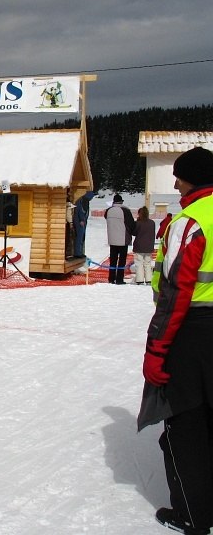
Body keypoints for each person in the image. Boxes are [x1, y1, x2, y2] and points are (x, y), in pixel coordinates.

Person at [137, 146, 213, 534]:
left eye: (179, 177)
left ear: (192, 179)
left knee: (186, 426)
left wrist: (157, 349)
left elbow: (176, 291)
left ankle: (193, 515)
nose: (175, 183)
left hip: (193, 332)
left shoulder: (191, 220)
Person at [104, 193, 135, 284]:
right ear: (121, 201)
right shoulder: (125, 210)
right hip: (123, 239)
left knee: (113, 260)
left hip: (112, 239)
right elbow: (131, 224)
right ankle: (119, 279)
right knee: (122, 260)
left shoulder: (108, 210)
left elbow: (106, 217)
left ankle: (111, 278)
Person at [131, 206, 156, 285]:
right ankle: (149, 280)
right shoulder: (152, 223)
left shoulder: (138, 223)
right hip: (149, 246)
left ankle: (140, 280)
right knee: (147, 264)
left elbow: (134, 232)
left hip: (139, 246)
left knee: (139, 263)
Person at [72, 190, 97, 258]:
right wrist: (81, 220)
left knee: (81, 237)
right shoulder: (81, 201)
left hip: (82, 222)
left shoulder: (85, 201)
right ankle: (77, 253)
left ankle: (80, 252)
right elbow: (80, 211)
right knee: (79, 237)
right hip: (80, 222)